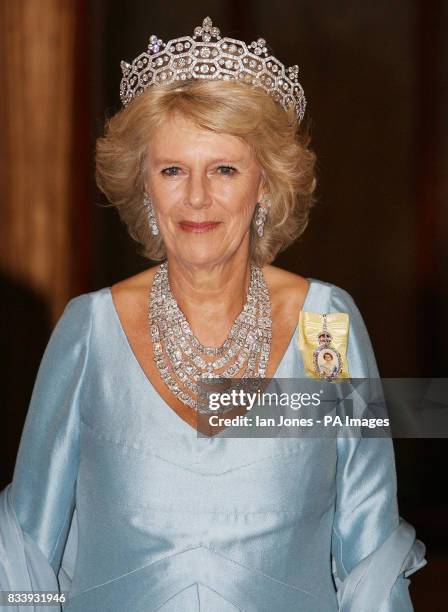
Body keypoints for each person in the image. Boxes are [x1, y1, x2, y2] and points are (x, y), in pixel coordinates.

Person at [0, 16, 426, 612]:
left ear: (266, 186)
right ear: (145, 186)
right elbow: (25, 555)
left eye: (224, 169)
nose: (197, 197)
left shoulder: (325, 324)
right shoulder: (90, 330)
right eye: (173, 170)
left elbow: (370, 549)